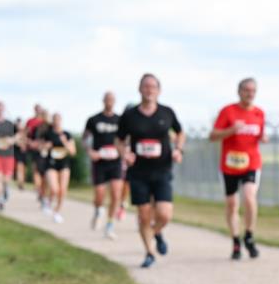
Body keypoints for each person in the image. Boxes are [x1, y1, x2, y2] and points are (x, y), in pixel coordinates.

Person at [116, 73, 184, 268]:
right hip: (138, 172)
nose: (149, 90)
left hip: (162, 169)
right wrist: (124, 154)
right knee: (144, 214)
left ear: (159, 90)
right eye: (145, 86)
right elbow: (119, 141)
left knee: (164, 214)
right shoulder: (129, 116)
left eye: (153, 87)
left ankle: (156, 232)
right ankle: (149, 252)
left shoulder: (167, 112)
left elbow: (180, 132)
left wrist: (178, 150)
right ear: (139, 89)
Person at [210, 77, 267, 259]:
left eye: (253, 91)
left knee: (250, 196)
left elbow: (259, 134)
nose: (250, 94)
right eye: (246, 90)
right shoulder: (228, 111)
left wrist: (262, 138)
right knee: (232, 204)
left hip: (251, 163)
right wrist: (231, 130)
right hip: (229, 166)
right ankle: (236, 241)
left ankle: (249, 235)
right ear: (239, 91)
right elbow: (212, 136)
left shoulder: (259, 113)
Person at [84, 92, 124, 239]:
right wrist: (90, 151)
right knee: (100, 195)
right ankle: (98, 210)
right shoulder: (94, 119)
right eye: (107, 99)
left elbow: (125, 140)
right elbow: (85, 138)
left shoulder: (120, 120)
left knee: (116, 195)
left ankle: (109, 225)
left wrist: (123, 152)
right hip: (99, 162)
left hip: (115, 161)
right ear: (103, 101)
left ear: (115, 101)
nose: (110, 102)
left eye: (112, 99)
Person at [42, 113, 76, 223]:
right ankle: (49, 200)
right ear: (52, 121)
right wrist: (46, 146)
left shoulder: (67, 134)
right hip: (51, 164)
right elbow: (41, 149)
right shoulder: (48, 134)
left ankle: (57, 212)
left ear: (61, 120)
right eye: (54, 119)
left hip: (64, 164)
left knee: (63, 190)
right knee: (54, 189)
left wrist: (65, 142)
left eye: (58, 119)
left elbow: (73, 152)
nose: (56, 121)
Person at [13, 117, 28, 191]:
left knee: (23, 169)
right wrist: (21, 144)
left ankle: (22, 183)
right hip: (18, 152)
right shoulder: (16, 134)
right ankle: (20, 184)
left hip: (24, 153)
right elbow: (15, 141)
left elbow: (28, 142)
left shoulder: (26, 133)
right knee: (19, 168)